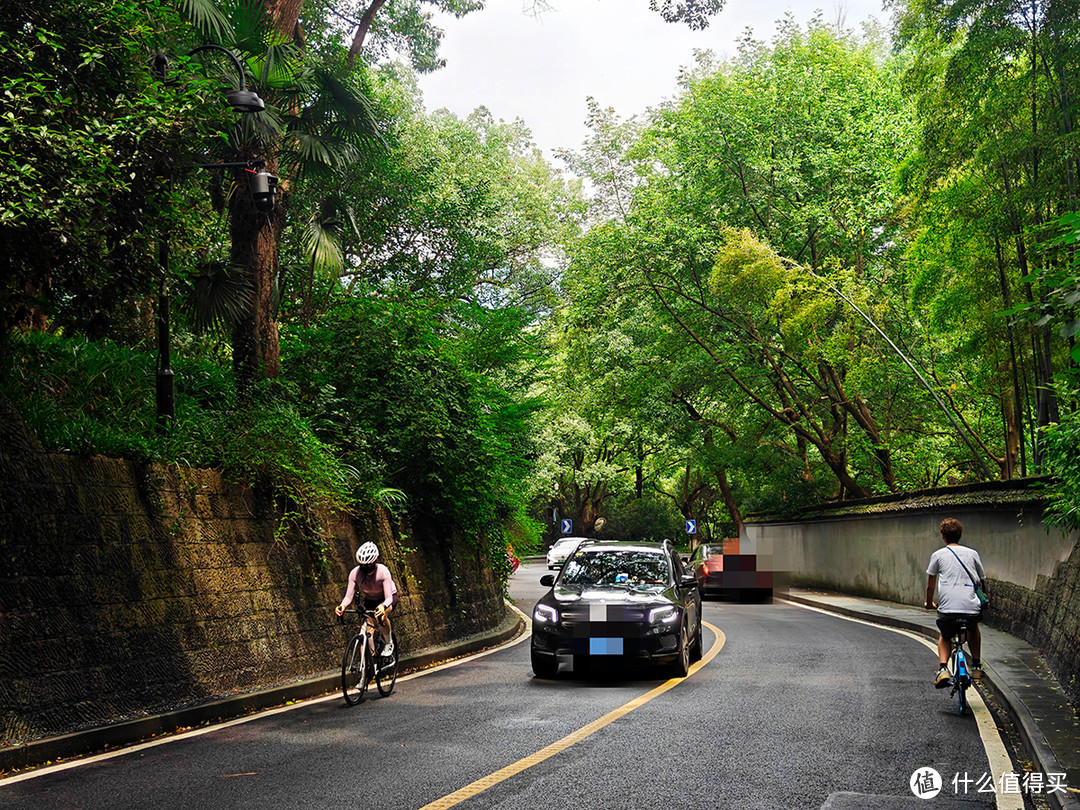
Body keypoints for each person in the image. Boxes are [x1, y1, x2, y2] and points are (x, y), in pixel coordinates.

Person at [924, 518, 986, 687]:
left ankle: (943, 669)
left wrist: (929, 603)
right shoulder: (973, 554)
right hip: (971, 607)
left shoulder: (937, 555)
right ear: (960, 535)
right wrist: (985, 600)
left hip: (948, 608)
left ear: (943, 537)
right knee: (973, 629)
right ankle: (976, 665)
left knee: (945, 635)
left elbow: (930, 586)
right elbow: (981, 581)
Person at [336, 541, 398, 658]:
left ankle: (389, 643)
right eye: (362, 565)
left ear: (376, 561)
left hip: (387, 598)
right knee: (367, 631)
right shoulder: (355, 574)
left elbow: (389, 597)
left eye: (369, 565)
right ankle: (370, 662)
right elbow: (349, 596)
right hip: (370, 600)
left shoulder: (383, 572)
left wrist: (383, 606)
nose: (365, 568)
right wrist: (342, 606)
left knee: (381, 617)